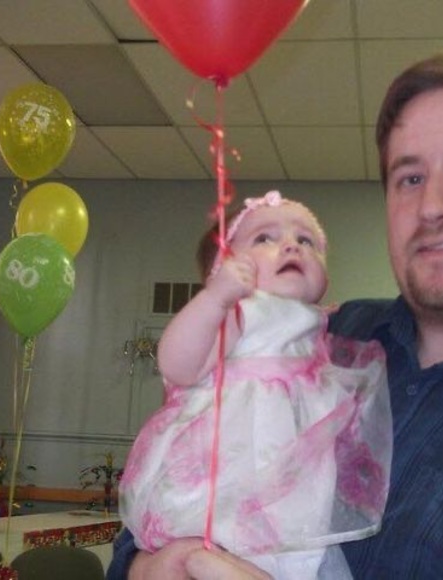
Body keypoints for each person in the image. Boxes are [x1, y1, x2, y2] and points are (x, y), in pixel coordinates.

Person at [107, 46, 443, 579]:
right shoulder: (328, 336)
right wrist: (149, 566)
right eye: (409, 178)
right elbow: (158, 513)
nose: (432, 206)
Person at [117, 191, 391, 580]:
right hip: (238, 451)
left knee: (299, 529)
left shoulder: (319, 324)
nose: (291, 245)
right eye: (265, 238)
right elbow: (178, 365)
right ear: (223, 268)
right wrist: (215, 299)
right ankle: (209, 560)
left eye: (307, 241)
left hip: (294, 460)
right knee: (231, 520)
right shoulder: (238, 312)